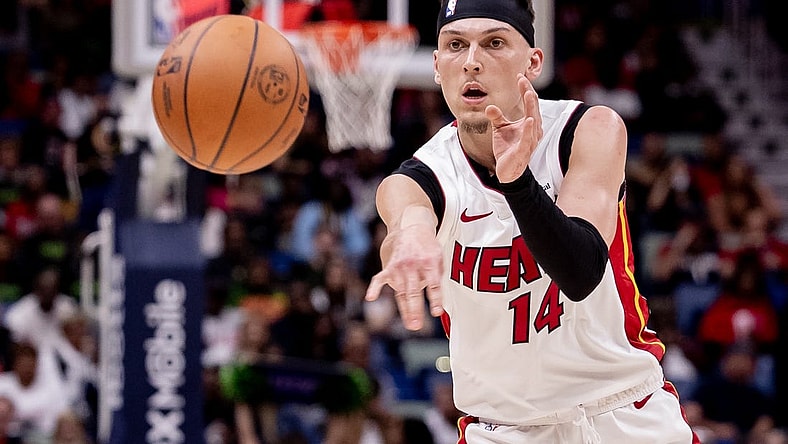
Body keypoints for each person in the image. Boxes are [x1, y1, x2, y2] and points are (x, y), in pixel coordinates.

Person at [364, 1, 699, 442]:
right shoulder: (424, 173)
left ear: (534, 61)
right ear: (436, 66)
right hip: (503, 430)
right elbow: (406, 209)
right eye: (455, 45)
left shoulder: (588, 130)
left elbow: (579, 274)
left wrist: (518, 182)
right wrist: (410, 236)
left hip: (620, 413)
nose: (471, 62)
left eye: (495, 43)